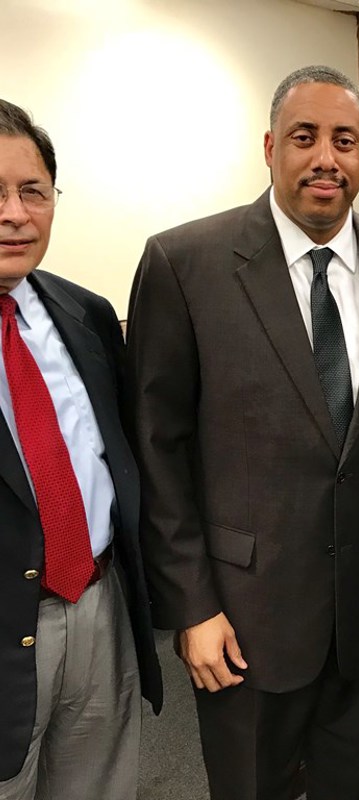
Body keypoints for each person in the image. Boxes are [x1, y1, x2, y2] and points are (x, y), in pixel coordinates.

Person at [125, 65, 359, 800]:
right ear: (271, 147)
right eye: (305, 137)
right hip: (241, 615)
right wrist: (191, 605)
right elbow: (157, 448)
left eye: (345, 140)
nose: (326, 157)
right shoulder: (184, 263)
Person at [0, 100, 162, 800]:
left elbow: (124, 458)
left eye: (31, 191)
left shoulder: (86, 314)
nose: (12, 213)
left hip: (100, 604)